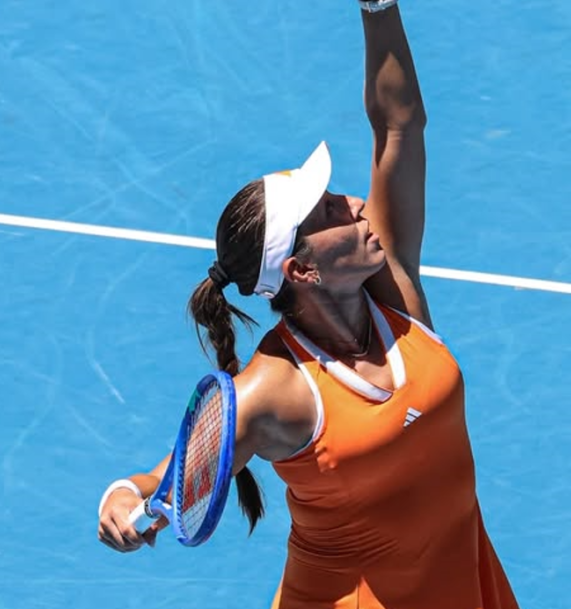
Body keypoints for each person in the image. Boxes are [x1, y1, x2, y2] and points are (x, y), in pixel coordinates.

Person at [96, 1, 520, 607]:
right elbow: (158, 481)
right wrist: (120, 497)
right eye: (327, 212)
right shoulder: (274, 392)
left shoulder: (392, 292)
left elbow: (399, 125)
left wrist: (378, 9)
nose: (354, 203)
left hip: (462, 585)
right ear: (301, 269)